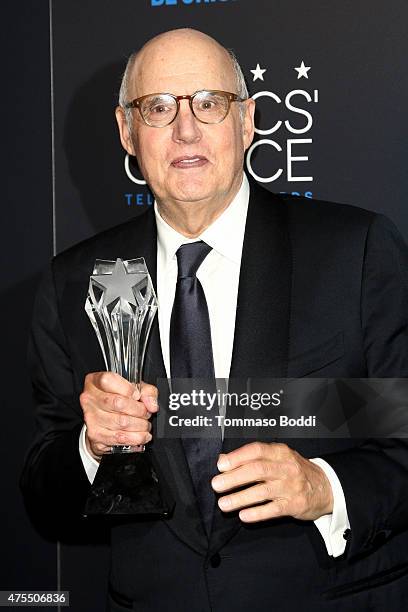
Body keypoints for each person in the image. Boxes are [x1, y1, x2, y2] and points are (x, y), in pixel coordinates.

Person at [21, 28, 408, 611]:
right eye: (158, 108)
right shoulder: (74, 281)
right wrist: (90, 448)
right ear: (127, 132)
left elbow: (400, 433)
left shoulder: (353, 252)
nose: (186, 130)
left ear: (248, 121)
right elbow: (44, 495)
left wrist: (324, 488)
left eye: (209, 103)